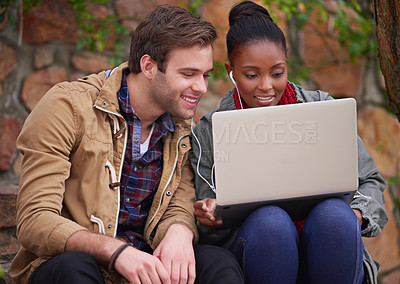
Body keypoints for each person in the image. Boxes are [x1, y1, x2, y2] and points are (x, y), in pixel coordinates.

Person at [10, 5, 244, 284]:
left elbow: (180, 199)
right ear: (148, 66)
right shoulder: (67, 107)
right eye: (188, 74)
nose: (202, 87)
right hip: (73, 264)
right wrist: (115, 251)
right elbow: (35, 220)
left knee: (218, 263)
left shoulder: (181, 128)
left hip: (146, 264)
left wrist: (180, 231)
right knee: (76, 269)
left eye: (205, 75)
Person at [190, 1, 388, 284]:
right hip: (259, 253)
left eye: (277, 72)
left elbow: (369, 180)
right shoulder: (210, 130)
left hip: (328, 247)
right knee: (272, 223)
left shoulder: (322, 109)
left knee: (334, 215)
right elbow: (205, 224)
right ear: (230, 70)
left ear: (287, 65)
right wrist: (211, 214)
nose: (266, 86)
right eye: (251, 75)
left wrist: (356, 214)